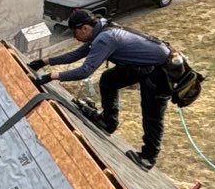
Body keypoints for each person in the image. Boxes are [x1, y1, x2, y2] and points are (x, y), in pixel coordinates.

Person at [34, 9, 174, 170]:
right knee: (109, 79)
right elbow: (76, 55)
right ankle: (108, 122)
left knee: (152, 113)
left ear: (84, 28)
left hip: (161, 71)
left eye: (75, 33)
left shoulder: (105, 38)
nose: (75, 38)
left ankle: (149, 158)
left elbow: (85, 71)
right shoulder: (100, 30)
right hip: (143, 66)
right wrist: (44, 61)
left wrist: (52, 76)